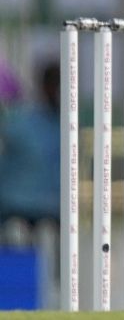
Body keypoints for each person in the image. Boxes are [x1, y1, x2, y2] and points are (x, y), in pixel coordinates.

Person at [0, 60, 61, 225]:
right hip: (18, 210)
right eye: (54, 85)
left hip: (51, 210)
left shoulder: (63, 126)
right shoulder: (19, 123)